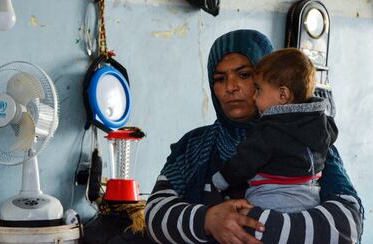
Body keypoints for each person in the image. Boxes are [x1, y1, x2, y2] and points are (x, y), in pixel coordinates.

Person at [144, 29, 363, 243]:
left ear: (274, 83)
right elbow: (154, 214)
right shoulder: (192, 146)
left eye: (244, 75)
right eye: (220, 79)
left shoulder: (309, 140)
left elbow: (348, 224)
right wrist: (209, 221)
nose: (231, 87)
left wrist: (263, 227)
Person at [212, 48, 338, 213]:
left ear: (283, 95)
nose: (254, 96)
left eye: (258, 89)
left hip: (269, 203)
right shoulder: (322, 123)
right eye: (220, 79)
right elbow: (333, 134)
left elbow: (243, 163)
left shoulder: (269, 130)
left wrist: (218, 181)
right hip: (310, 201)